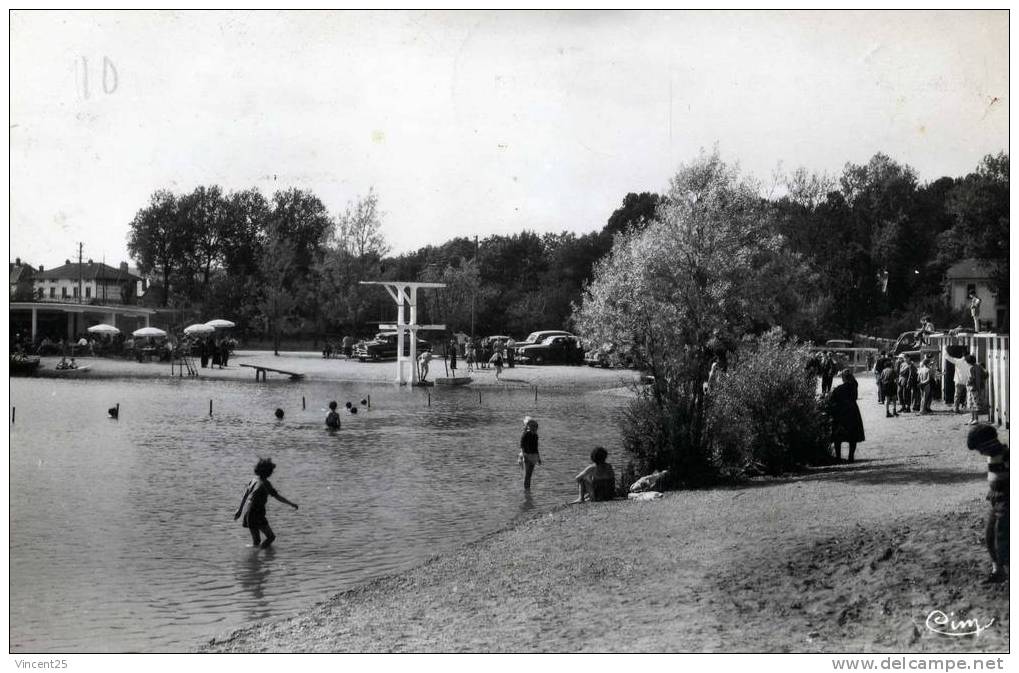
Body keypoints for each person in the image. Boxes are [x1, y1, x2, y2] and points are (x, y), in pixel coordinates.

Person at [966, 424, 1009, 583]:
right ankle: (997, 571)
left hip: (1006, 500)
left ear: (987, 444)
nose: (980, 452)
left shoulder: (1006, 455)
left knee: (1003, 537)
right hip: (996, 499)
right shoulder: (992, 455)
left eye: (979, 449)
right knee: (990, 536)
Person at [234, 458, 299, 549]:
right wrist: (291, 504)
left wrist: (239, 510)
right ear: (268, 472)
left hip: (249, 513)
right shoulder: (266, 484)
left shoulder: (254, 480)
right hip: (257, 514)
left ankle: (253, 558)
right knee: (271, 537)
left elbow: (245, 494)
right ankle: (259, 554)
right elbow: (278, 497)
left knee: (256, 542)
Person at [827, 369, 865, 462]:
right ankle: (851, 456)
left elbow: (831, 400)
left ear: (843, 379)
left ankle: (838, 457)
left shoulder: (838, 389)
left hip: (840, 411)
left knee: (838, 435)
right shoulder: (854, 387)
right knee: (853, 435)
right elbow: (855, 387)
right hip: (852, 410)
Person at [519, 417, 542, 489]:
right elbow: (522, 446)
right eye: (533, 426)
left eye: (536, 427)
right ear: (529, 427)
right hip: (526, 455)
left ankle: (527, 491)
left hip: (533, 456)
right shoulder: (526, 434)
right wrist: (523, 455)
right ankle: (526, 491)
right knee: (527, 475)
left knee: (529, 475)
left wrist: (539, 458)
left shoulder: (535, 436)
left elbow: (536, 447)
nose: (535, 428)